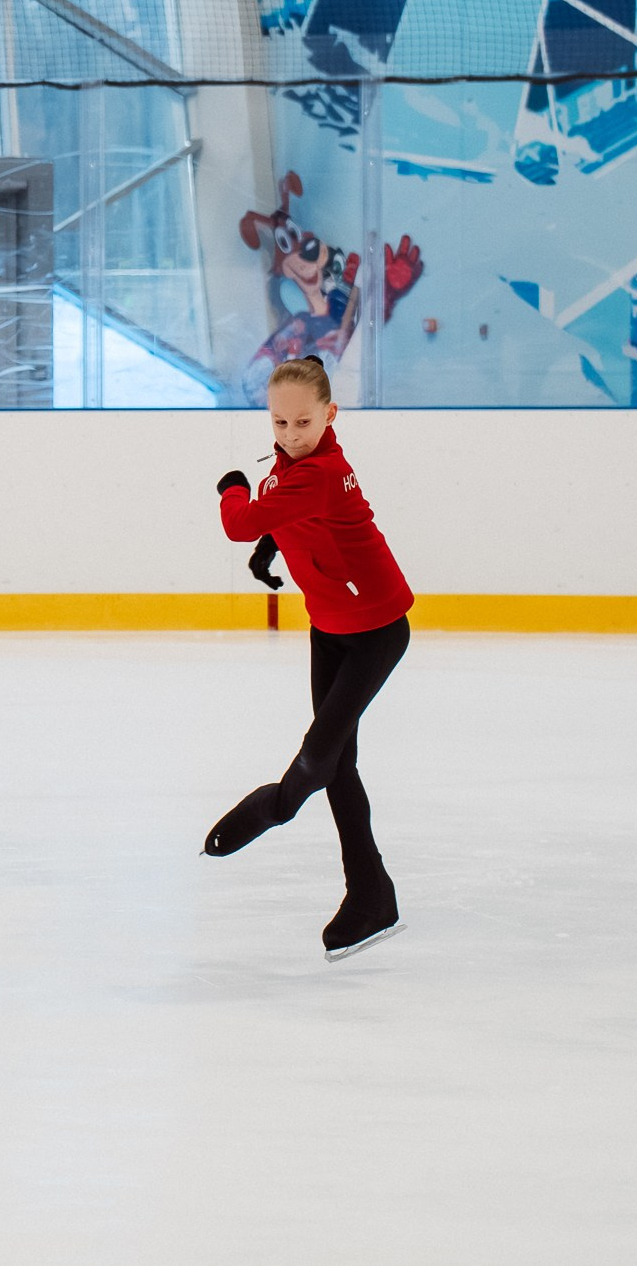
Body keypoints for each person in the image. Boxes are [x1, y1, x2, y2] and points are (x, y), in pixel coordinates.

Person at [206, 355, 413, 960]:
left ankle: (275, 807)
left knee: (320, 756)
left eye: (303, 423)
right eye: (279, 424)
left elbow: (240, 521)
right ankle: (371, 894)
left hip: (375, 629)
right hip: (330, 625)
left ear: (330, 414)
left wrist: (230, 486)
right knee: (339, 764)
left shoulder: (316, 472)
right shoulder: (294, 467)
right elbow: (284, 515)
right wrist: (274, 543)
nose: (291, 436)